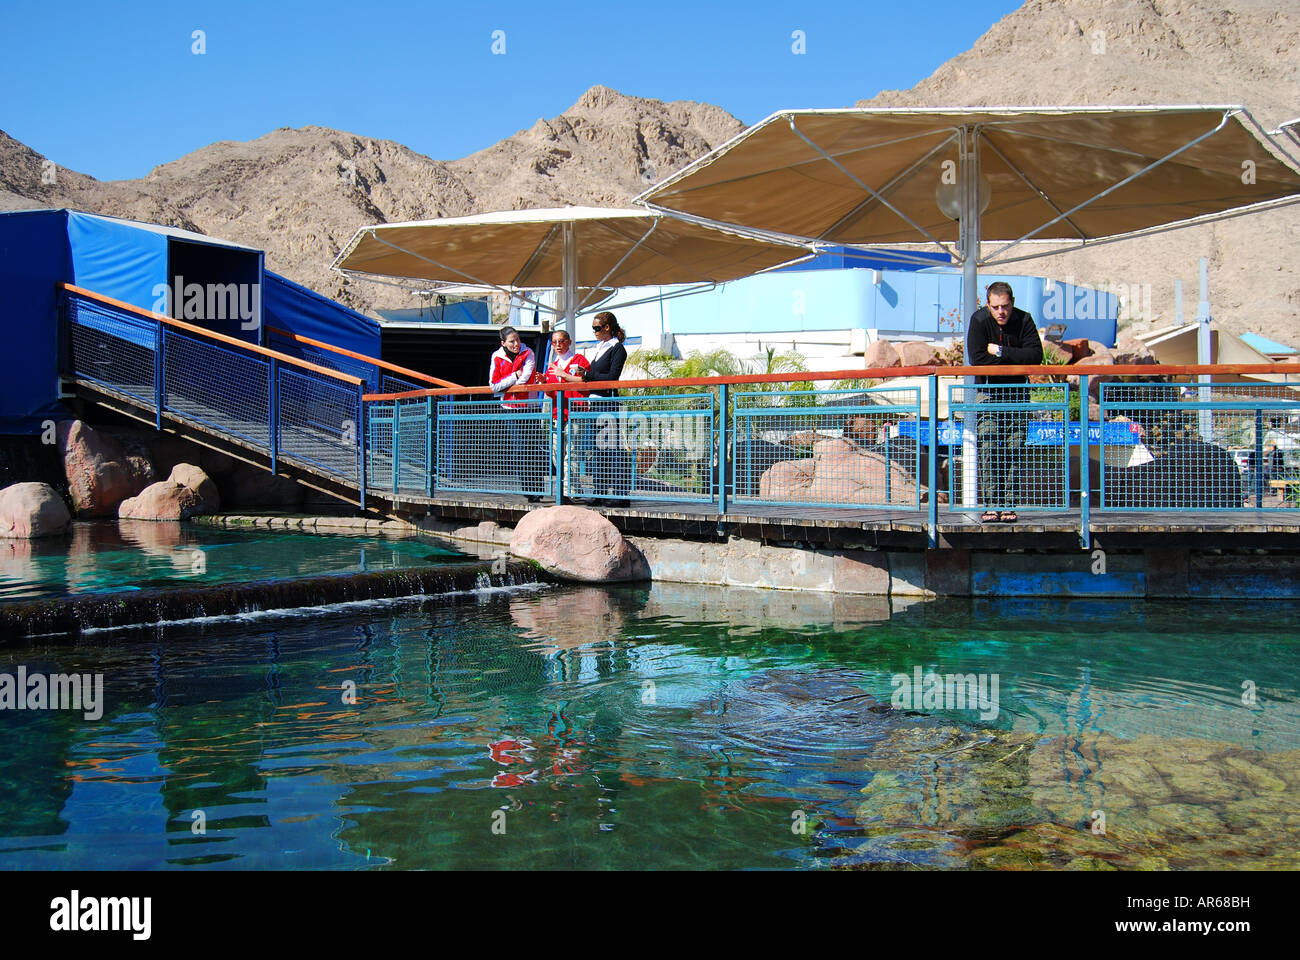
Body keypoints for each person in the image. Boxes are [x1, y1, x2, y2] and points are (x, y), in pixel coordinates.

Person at [966, 281, 1043, 523]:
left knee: (1014, 446)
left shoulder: (1025, 320)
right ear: (987, 305)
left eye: (1006, 306)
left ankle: (1009, 504)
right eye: (996, 307)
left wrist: (1000, 352)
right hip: (988, 391)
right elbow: (977, 359)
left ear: (1012, 303)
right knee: (988, 444)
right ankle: (991, 505)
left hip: (1017, 392)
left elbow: (1035, 357)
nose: (1001, 312)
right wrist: (1015, 362)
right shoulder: (978, 321)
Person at [488, 325, 546, 499]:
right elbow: (494, 385)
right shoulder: (497, 356)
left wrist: (509, 383)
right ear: (503, 343)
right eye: (512, 341)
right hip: (510, 409)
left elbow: (526, 377)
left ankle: (538, 489)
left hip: (531, 406)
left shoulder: (528, 353)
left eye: (518, 340)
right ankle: (528, 489)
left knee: (534, 448)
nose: (516, 344)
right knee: (519, 448)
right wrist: (514, 376)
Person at [582, 312, 631, 502]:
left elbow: (612, 377)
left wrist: (589, 376)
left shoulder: (617, 349)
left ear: (607, 328)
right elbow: (595, 374)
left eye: (596, 328)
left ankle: (620, 493)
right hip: (595, 403)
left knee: (613, 447)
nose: (594, 332)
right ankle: (599, 490)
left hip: (607, 403)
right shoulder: (599, 348)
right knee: (597, 448)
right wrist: (586, 374)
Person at [541, 328, 590, 493]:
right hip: (557, 414)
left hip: (575, 413)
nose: (557, 345)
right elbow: (550, 392)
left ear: (568, 342)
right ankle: (568, 485)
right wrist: (544, 383)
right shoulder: (552, 366)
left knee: (573, 451)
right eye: (554, 342)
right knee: (557, 453)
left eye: (561, 341)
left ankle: (571, 489)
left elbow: (585, 382)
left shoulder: (579, 360)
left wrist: (563, 374)